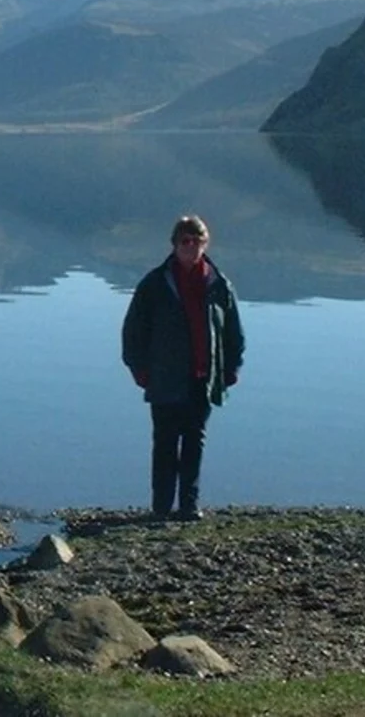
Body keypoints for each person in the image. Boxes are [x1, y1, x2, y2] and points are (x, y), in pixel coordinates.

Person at [121, 215, 244, 521]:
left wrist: (231, 368)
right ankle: (161, 508)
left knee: (194, 442)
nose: (191, 247)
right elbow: (133, 332)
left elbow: (233, 333)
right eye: (185, 242)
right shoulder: (154, 285)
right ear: (174, 245)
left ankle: (189, 506)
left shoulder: (219, 285)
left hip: (203, 378)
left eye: (197, 241)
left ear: (206, 243)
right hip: (164, 378)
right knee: (164, 443)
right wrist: (140, 370)